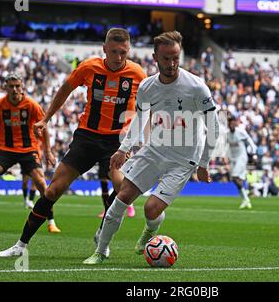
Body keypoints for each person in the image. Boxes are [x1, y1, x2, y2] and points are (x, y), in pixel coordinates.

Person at [0, 28, 146, 257]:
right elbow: (65, 90)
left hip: (116, 141)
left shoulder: (137, 74)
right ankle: (21, 245)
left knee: (122, 188)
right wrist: (46, 118)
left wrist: (139, 133)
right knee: (54, 188)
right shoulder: (89, 67)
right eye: (114, 52)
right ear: (104, 49)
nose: (118, 57)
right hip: (87, 136)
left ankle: (102, 236)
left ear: (129, 50)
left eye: (123, 52)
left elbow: (147, 107)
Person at [83, 31, 220, 264]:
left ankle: (149, 231)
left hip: (184, 158)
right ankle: (101, 251)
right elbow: (140, 119)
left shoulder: (196, 87)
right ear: (156, 57)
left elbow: (213, 125)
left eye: (176, 57)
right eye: (166, 58)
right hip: (154, 150)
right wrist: (123, 149)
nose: (172, 63)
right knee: (122, 196)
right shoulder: (147, 87)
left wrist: (204, 163)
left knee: (151, 209)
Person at [0, 72, 59, 233]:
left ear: (22, 86)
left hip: (28, 150)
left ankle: (51, 222)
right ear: (5, 88)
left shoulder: (31, 105)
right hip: (6, 150)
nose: (15, 89)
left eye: (17, 86)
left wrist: (48, 151)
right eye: (11, 86)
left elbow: (44, 127)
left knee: (42, 185)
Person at [226, 117, 257, 209]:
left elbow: (250, 141)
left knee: (235, 177)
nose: (232, 125)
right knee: (235, 179)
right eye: (230, 124)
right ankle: (246, 198)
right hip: (233, 159)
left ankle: (246, 196)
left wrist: (253, 153)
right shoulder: (227, 134)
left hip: (242, 157)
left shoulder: (240, 132)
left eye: (233, 123)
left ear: (235, 124)